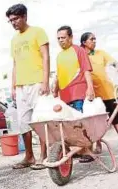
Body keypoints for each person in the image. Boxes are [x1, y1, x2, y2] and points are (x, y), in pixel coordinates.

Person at [6, 4, 50, 170]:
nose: (13, 23)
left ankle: (43, 155)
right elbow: (15, 64)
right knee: (24, 122)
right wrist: (13, 86)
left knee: (40, 120)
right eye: (10, 20)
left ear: (24, 16)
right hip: (21, 86)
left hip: (37, 81)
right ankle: (29, 156)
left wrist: (45, 81)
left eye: (16, 19)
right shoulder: (14, 39)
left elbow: (46, 57)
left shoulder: (38, 32)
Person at [52, 26, 95, 162]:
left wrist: (90, 88)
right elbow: (59, 75)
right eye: (58, 38)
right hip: (65, 95)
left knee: (80, 122)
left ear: (70, 37)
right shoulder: (59, 56)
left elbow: (86, 69)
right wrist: (55, 89)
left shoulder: (79, 50)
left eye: (63, 38)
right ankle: (78, 149)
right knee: (69, 124)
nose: (60, 41)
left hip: (78, 91)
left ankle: (87, 150)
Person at [80, 32, 118, 154]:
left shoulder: (101, 53)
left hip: (108, 91)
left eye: (95, 39)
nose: (95, 41)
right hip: (93, 95)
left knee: (116, 119)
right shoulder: (81, 55)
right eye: (92, 39)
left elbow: (114, 63)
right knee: (95, 122)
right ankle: (98, 145)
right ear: (84, 42)